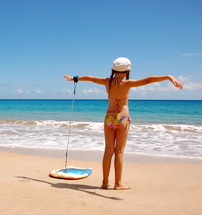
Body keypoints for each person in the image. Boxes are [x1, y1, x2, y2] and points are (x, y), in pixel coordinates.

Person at [63, 57, 183, 190]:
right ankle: (118, 184)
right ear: (127, 71)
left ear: (113, 70)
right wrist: (168, 76)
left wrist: (74, 78)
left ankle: (104, 182)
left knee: (108, 151)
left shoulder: (107, 82)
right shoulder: (128, 83)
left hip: (109, 118)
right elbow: (148, 80)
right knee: (119, 152)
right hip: (122, 118)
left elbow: (90, 78)